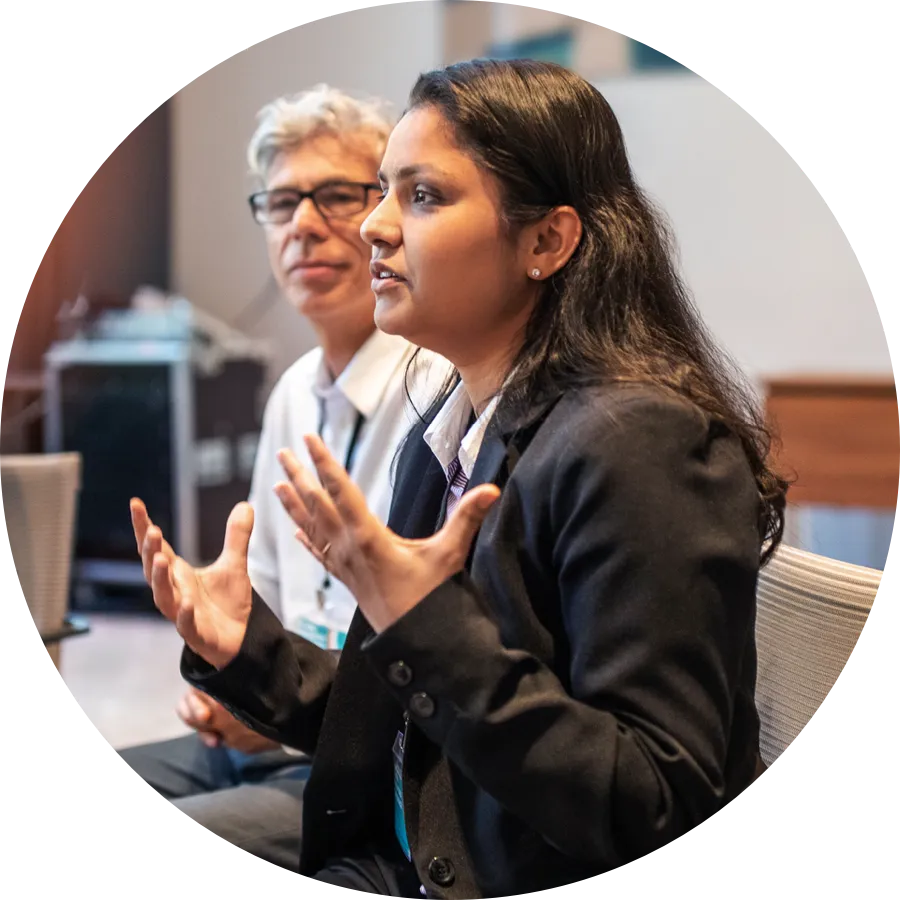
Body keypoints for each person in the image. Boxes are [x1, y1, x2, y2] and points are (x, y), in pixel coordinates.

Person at [130, 58, 790, 898]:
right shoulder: (449, 427)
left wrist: (424, 622)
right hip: (408, 850)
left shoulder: (640, 440)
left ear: (546, 241)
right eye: (380, 192)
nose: (372, 226)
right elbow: (402, 719)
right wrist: (246, 652)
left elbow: (656, 805)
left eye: (423, 196)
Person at [115, 84, 450, 876]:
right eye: (281, 202)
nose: (305, 223)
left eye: (336, 194)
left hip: (365, 758)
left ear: (387, 214)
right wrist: (226, 675)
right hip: (271, 725)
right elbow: (258, 592)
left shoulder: (439, 389)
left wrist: (272, 712)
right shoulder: (294, 390)